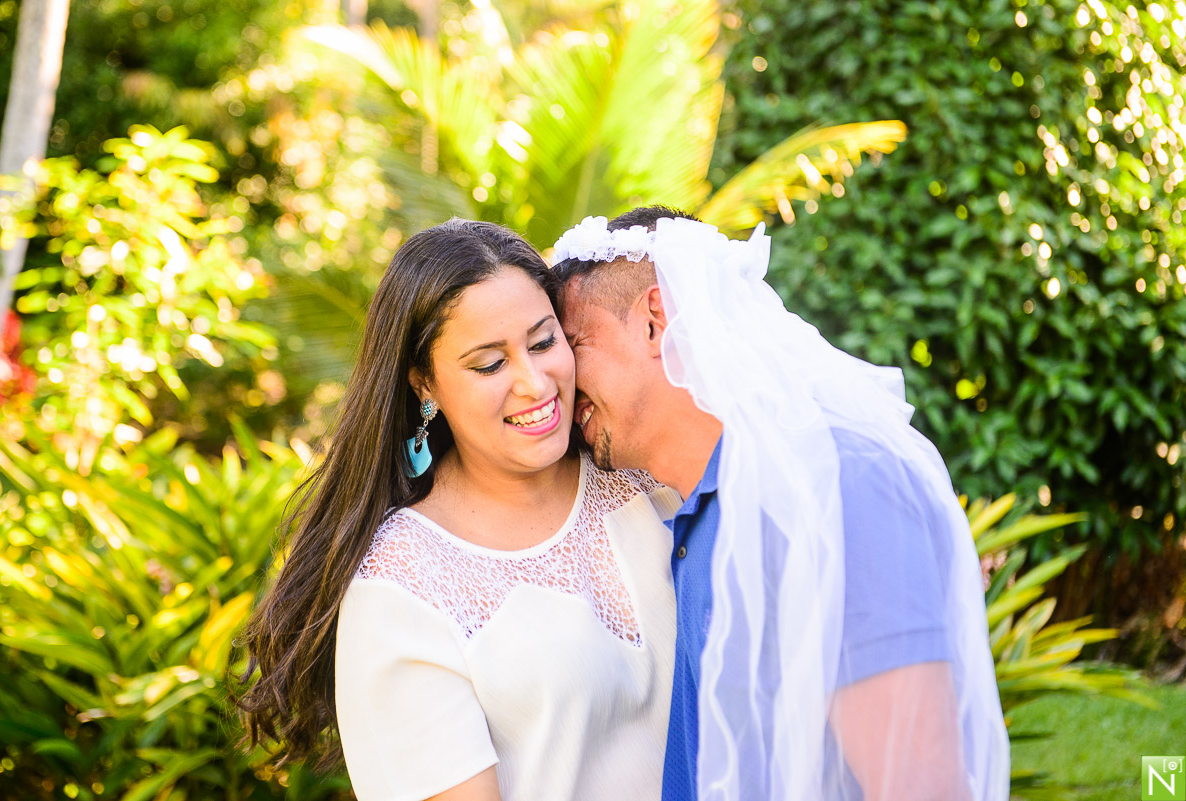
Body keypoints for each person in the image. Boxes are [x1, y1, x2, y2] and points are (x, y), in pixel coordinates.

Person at [551, 207, 1010, 801]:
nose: (556, 378)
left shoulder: (840, 486)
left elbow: (919, 783)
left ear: (654, 322)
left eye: (574, 342)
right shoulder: (689, 517)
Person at [239, 219, 681, 801]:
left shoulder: (642, 477)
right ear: (425, 385)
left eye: (545, 342)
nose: (534, 383)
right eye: (489, 364)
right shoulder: (401, 590)